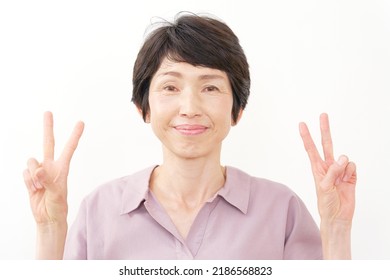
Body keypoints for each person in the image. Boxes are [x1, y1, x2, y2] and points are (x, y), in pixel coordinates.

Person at [23, 13, 357, 260]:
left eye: (210, 87)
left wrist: (337, 228)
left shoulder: (282, 210)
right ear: (144, 107)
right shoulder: (100, 210)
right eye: (170, 86)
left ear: (237, 110)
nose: (190, 107)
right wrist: (50, 229)